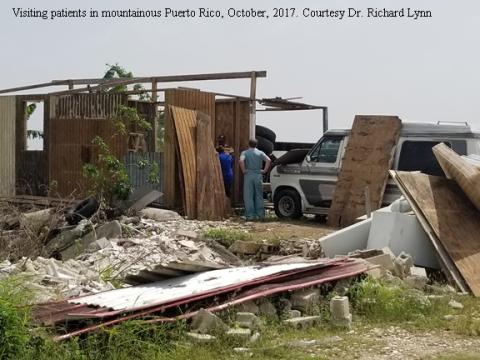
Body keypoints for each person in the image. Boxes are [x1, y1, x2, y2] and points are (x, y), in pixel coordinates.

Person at [239, 139, 271, 220]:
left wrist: (243, 170)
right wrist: (264, 170)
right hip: (258, 174)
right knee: (259, 195)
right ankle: (260, 215)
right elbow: (268, 160)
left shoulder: (245, 152)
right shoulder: (260, 152)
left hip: (248, 174)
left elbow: (241, 161)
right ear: (256, 145)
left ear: (248, 144)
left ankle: (250, 215)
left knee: (248, 195)